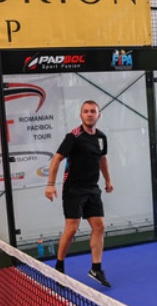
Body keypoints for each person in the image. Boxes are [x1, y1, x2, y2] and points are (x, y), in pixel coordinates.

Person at [45, 100, 114, 288]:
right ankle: (59, 267)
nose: (89, 114)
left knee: (99, 226)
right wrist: (50, 185)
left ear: (99, 115)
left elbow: (102, 159)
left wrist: (108, 180)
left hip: (92, 188)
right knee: (72, 229)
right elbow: (57, 159)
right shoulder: (73, 136)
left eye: (93, 111)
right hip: (73, 189)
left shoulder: (101, 137)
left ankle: (96, 269)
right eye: (86, 111)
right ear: (81, 115)